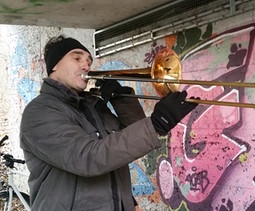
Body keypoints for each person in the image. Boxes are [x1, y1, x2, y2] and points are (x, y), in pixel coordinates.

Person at [19, 35, 198, 211]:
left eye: (89, 61)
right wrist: (156, 124)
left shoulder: (91, 106)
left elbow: (127, 141)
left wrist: (121, 99)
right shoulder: (40, 113)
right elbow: (88, 158)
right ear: (54, 65)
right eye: (77, 58)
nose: (86, 65)